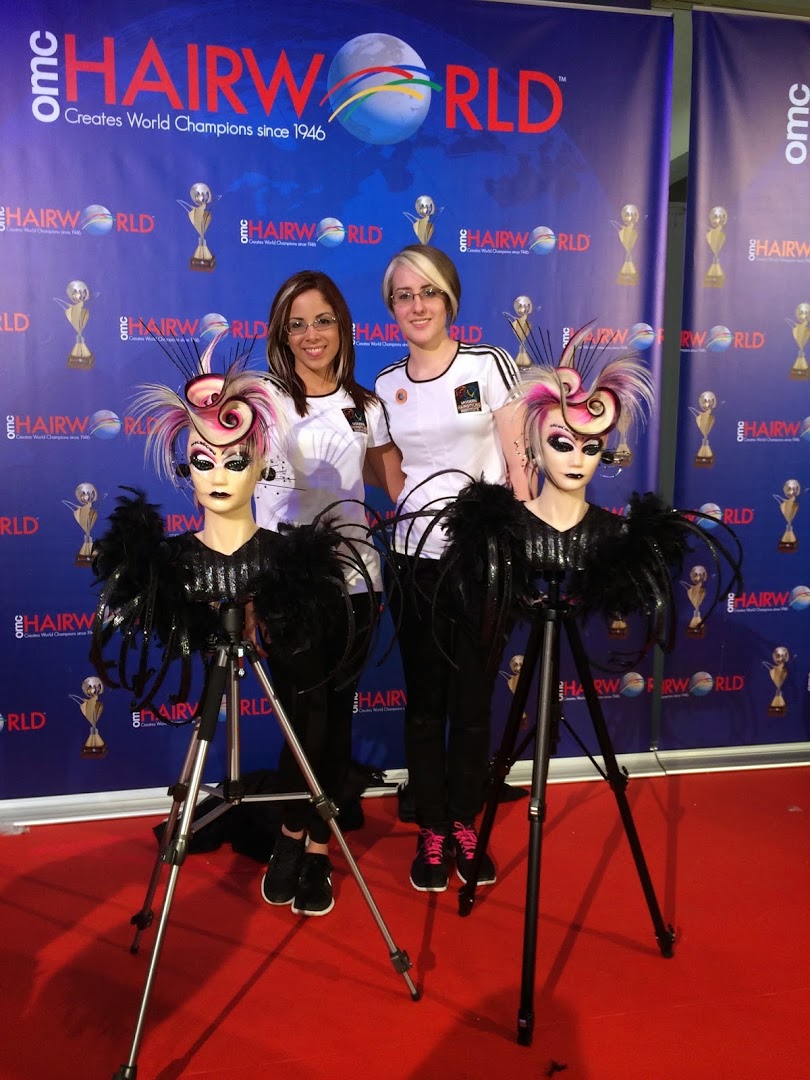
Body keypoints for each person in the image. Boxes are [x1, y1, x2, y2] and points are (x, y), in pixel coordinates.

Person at [90, 329, 362, 904]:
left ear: (260, 463)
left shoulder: (289, 562)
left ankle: (306, 843)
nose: (217, 476)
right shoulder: (171, 564)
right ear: (184, 466)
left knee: (314, 718)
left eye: (235, 460)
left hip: (287, 588)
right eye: (202, 460)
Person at [374, 244, 531, 894]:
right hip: (414, 565)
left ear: (450, 300)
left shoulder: (488, 364)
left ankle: (466, 822)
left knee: (471, 706)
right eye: (404, 295)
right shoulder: (385, 385)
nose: (418, 305)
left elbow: (520, 467)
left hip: (482, 564)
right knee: (424, 707)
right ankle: (432, 829)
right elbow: (393, 477)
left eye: (429, 292)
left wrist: (518, 546)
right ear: (392, 307)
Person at [254, 270, 404, 917]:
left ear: (342, 326)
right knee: (304, 713)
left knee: (336, 715)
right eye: (298, 324)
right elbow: (225, 482)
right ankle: (292, 831)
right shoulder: (259, 399)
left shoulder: (367, 407)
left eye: (323, 320)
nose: (311, 334)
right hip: (286, 586)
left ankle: (315, 846)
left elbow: (401, 483)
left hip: (356, 584)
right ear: (281, 335)